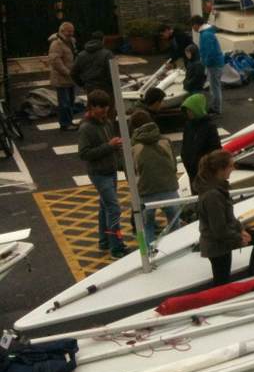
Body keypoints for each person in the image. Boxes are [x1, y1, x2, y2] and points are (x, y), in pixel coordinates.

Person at [196, 149, 254, 285]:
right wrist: (238, 238)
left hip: (223, 239)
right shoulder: (213, 195)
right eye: (231, 166)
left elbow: (229, 217)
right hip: (217, 245)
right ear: (221, 169)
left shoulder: (218, 187)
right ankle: (219, 300)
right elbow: (219, 230)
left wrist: (241, 229)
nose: (233, 169)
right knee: (222, 282)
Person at [77, 90, 128, 258]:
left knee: (104, 207)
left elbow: (111, 146)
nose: (104, 110)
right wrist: (109, 146)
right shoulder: (86, 128)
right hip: (99, 173)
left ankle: (104, 241)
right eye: (100, 107)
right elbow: (84, 154)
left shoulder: (106, 123)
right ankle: (117, 246)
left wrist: (118, 158)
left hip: (110, 170)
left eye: (106, 106)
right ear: (91, 107)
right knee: (113, 209)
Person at [130, 109, 180, 246]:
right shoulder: (165, 141)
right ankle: (176, 249)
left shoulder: (134, 147)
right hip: (169, 188)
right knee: (174, 224)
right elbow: (173, 165)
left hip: (146, 192)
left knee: (146, 227)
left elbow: (131, 172)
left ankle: (148, 256)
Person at [180, 93, 221, 193]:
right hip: (191, 169)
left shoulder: (209, 126)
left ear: (196, 109)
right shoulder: (188, 125)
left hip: (204, 171)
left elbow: (215, 148)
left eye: (190, 110)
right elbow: (185, 145)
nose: (188, 113)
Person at [190, 15, 224, 115]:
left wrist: (204, 64)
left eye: (192, 26)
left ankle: (216, 109)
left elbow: (209, 52)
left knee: (215, 88)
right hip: (215, 63)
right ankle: (215, 107)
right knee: (214, 87)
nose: (192, 28)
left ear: (196, 25)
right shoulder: (206, 32)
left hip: (213, 64)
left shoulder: (206, 35)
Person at [48, 21, 77, 131]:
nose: (71, 33)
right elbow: (55, 61)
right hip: (61, 78)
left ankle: (69, 122)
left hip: (70, 78)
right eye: (69, 31)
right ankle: (65, 124)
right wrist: (67, 72)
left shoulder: (71, 42)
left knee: (71, 101)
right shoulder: (56, 44)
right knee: (64, 103)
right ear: (62, 31)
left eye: (72, 31)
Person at [71, 30, 113, 96]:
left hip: (90, 88)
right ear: (103, 40)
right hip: (105, 89)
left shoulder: (81, 55)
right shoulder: (107, 54)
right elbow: (111, 73)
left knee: (93, 105)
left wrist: (83, 84)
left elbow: (73, 73)